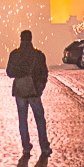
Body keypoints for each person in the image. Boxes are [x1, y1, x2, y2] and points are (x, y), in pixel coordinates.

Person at [6, 29, 51, 158]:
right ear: (31, 39)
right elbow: (44, 73)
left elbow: (9, 72)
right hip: (34, 91)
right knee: (40, 119)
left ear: (21, 39)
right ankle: (44, 146)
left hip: (20, 91)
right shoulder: (38, 55)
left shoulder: (14, 55)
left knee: (22, 119)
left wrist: (20, 74)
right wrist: (40, 87)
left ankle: (26, 147)